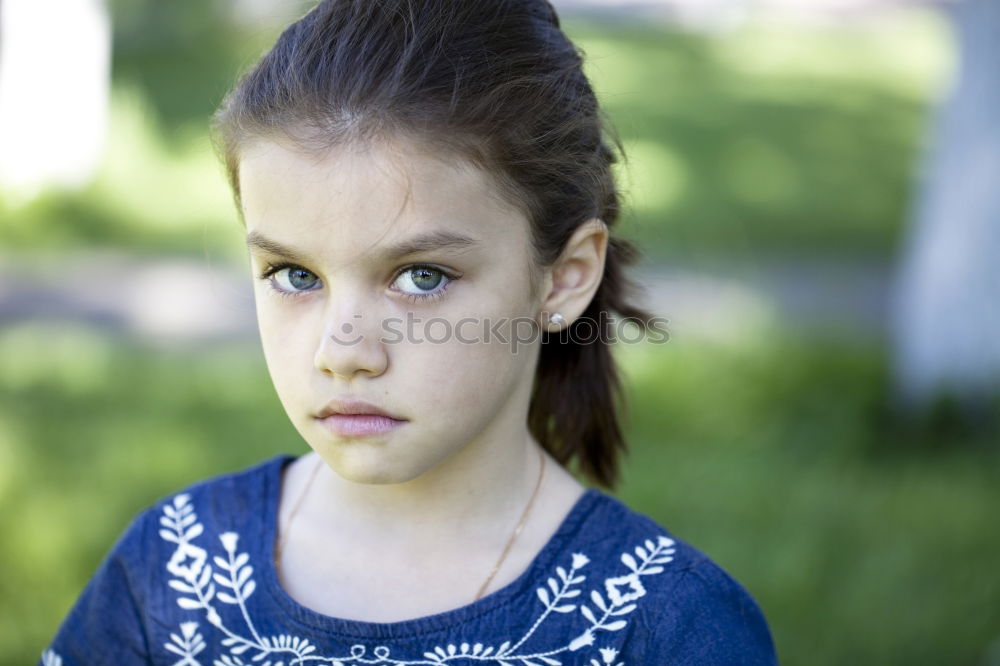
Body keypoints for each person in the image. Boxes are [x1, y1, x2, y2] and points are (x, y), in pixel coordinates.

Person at [41, 1, 778, 663]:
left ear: (564, 276)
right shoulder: (173, 571)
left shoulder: (666, 629)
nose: (343, 353)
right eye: (295, 275)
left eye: (421, 277)